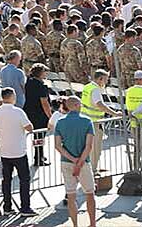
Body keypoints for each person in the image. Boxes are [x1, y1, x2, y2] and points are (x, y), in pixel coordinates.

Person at [0, 87, 35, 216]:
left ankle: (7, 207)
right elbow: (29, 128)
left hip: (4, 150)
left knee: (6, 180)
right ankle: (25, 207)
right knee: (24, 180)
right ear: (12, 97)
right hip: (18, 151)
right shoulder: (18, 112)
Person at [53, 96, 97, 227]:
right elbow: (89, 146)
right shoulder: (87, 121)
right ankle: (92, 223)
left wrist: (73, 159)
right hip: (84, 162)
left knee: (71, 196)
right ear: (77, 105)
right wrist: (80, 162)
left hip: (66, 162)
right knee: (89, 193)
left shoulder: (60, 122)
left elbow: (58, 146)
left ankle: (75, 224)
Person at [80, 69, 118, 173]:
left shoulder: (88, 87)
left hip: (86, 121)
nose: (106, 82)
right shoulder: (95, 90)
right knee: (95, 148)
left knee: (88, 147)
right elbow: (100, 105)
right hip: (95, 123)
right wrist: (114, 113)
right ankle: (93, 170)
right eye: (105, 80)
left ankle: (89, 168)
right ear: (100, 79)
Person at [23, 64, 52, 167]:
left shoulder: (29, 82)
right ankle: (38, 158)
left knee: (37, 136)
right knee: (40, 137)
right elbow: (44, 102)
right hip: (39, 114)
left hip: (29, 111)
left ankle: (39, 155)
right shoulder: (41, 86)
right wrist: (50, 116)